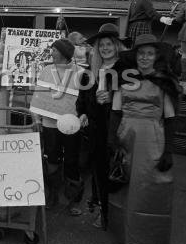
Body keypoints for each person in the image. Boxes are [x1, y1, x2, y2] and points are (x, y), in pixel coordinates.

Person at [108, 33, 181, 244]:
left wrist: (168, 150)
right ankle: (128, 236)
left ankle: (147, 240)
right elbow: (115, 112)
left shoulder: (164, 82)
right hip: (126, 138)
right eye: (141, 53)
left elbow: (169, 118)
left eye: (149, 54)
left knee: (150, 187)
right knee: (127, 189)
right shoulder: (124, 80)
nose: (145, 58)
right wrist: (112, 140)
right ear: (135, 56)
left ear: (156, 57)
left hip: (153, 140)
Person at [76, 23, 127, 230]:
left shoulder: (126, 70)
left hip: (117, 128)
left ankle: (114, 212)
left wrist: (113, 96)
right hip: (96, 129)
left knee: (116, 169)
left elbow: (133, 98)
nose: (105, 48)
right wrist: (83, 113)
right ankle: (101, 209)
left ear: (116, 46)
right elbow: (81, 100)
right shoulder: (90, 72)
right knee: (98, 169)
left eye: (109, 44)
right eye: (101, 45)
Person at [31, 38, 85, 216]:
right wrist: (36, 119)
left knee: (71, 161)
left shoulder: (81, 72)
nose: (51, 52)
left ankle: (73, 199)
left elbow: (85, 100)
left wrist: (85, 115)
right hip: (49, 124)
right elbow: (38, 96)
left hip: (71, 125)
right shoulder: (47, 70)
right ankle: (52, 194)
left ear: (62, 53)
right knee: (51, 160)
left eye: (54, 50)